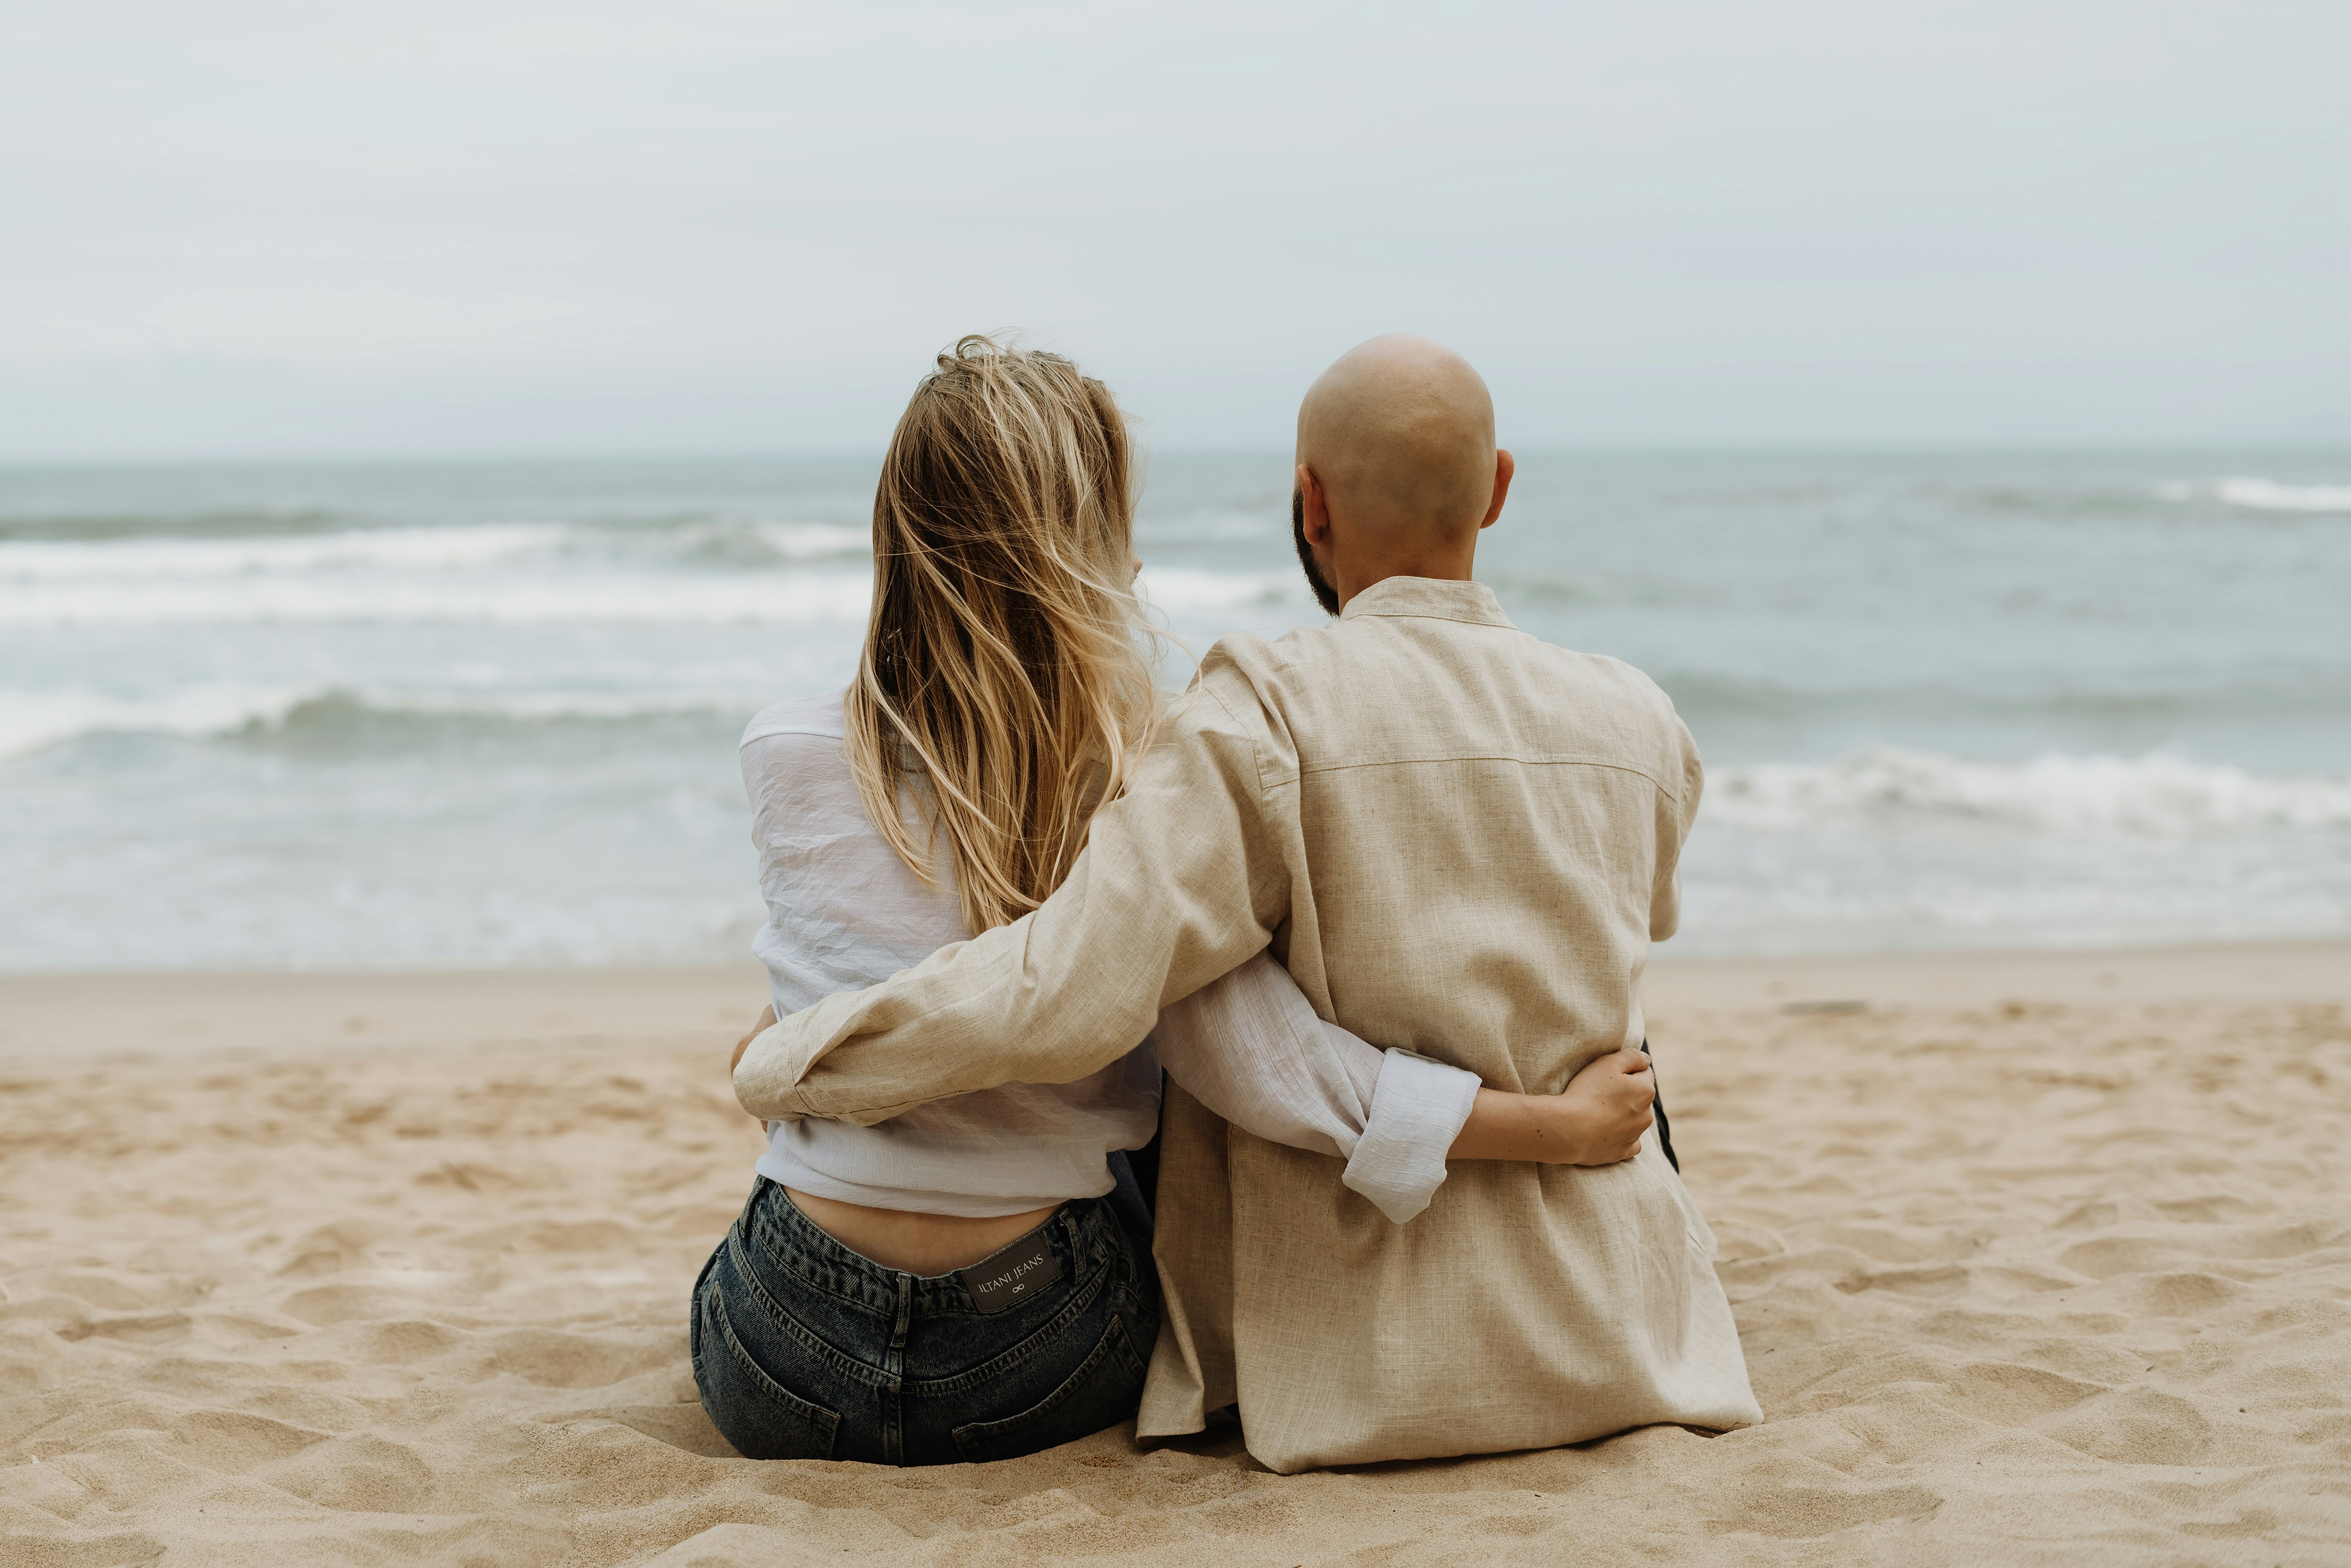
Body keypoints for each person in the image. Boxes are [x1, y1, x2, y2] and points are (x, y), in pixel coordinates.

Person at [734, 333, 1763, 1474]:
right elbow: (1637, 918)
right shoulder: (1639, 717)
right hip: (1583, 1321)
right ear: (1499, 488)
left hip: (813, 1333)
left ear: (1307, 500)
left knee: (1179, 1001)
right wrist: (1554, 1117)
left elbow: (1076, 992)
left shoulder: (1240, 721)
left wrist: (795, 1052)